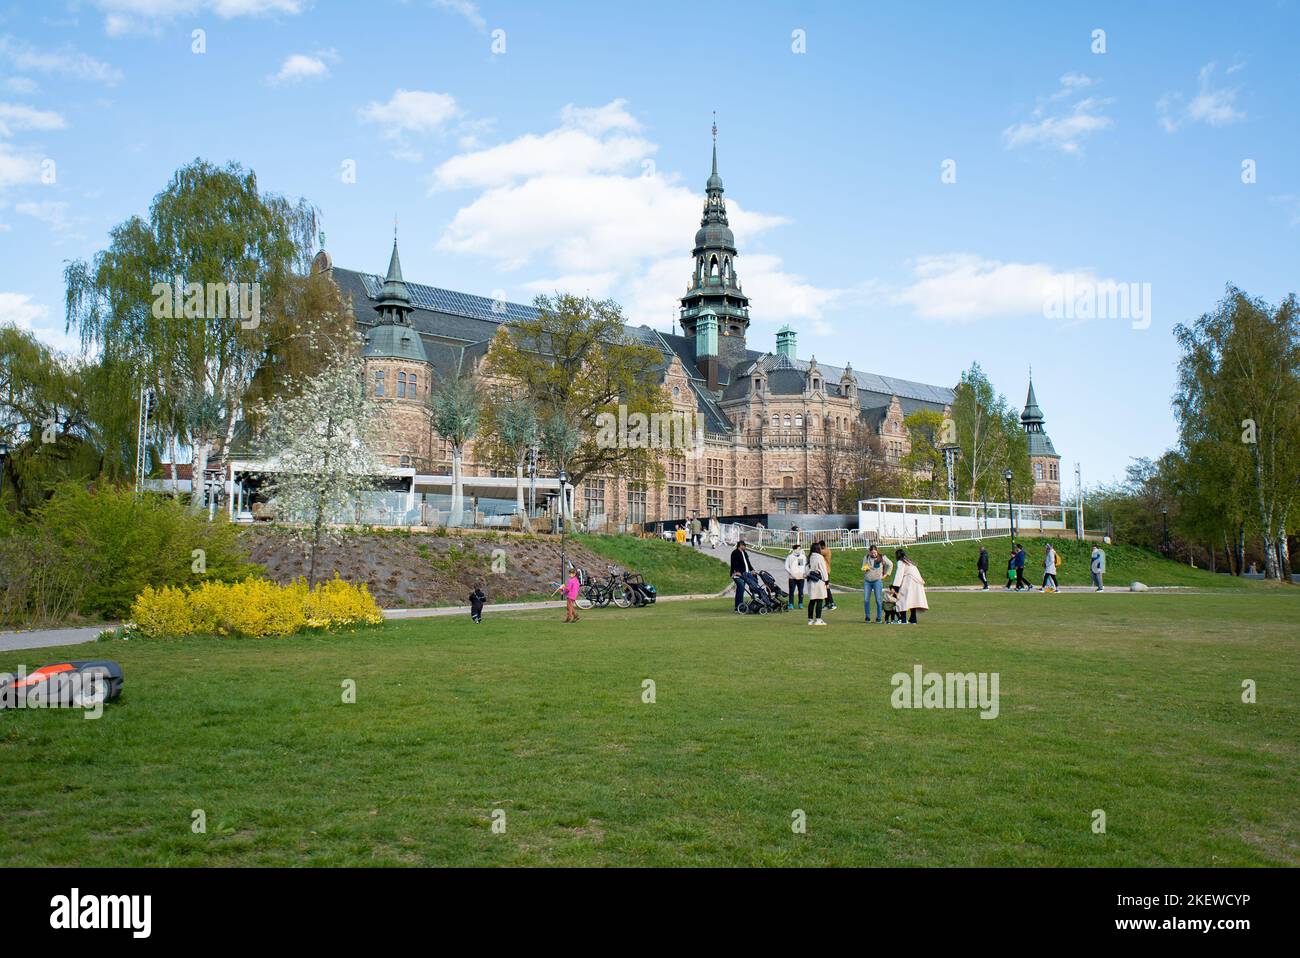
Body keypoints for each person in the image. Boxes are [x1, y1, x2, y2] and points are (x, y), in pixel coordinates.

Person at [892, 548, 929, 624]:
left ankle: (903, 620)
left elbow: (899, 574)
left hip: (910, 581)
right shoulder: (909, 562)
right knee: (913, 600)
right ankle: (913, 619)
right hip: (917, 583)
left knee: (901, 599)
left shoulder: (901, 562)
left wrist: (895, 587)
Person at [861, 545, 893, 623]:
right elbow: (863, 568)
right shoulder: (866, 557)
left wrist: (886, 574)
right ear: (869, 552)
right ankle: (867, 617)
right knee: (866, 600)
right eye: (872, 553)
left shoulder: (882, 557)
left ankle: (879, 618)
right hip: (867, 581)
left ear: (877, 551)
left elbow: (890, 564)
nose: (874, 554)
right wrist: (866, 567)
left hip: (877, 581)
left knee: (878, 600)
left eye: (875, 552)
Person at [730, 539, 759, 613]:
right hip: (737, 574)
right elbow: (734, 563)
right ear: (740, 546)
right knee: (741, 587)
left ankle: (755, 601)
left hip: (745, 574)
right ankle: (738, 606)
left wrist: (752, 570)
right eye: (744, 546)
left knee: (754, 583)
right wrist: (737, 571)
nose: (745, 547)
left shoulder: (744, 553)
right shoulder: (735, 553)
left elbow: (748, 563)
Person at [806, 542, 829, 626]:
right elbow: (823, 569)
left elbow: (805, 569)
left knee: (812, 600)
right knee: (819, 599)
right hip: (818, 581)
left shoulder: (809, 557)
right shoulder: (820, 557)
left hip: (811, 580)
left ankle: (810, 619)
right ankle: (818, 619)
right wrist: (826, 581)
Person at [784, 544, 807, 610]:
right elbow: (786, 566)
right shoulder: (790, 557)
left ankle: (800, 603)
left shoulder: (802, 557)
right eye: (798, 549)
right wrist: (792, 573)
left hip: (800, 577)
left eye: (800, 549)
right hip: (792, 577)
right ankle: (791, 604)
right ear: (794, 549)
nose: (799, 550)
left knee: (801, 591)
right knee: (791, 591)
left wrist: (802, 573)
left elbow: (801, 566)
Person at [820, 541, 837, 611]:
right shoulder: (824, 550)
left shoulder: (826, 550)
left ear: (822, 546)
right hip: (823, 571)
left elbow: (818, 552)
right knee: (824, 588)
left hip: (825, 571)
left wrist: (814, 548)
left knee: (826, 587)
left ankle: (832, 603)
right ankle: (827, 603)